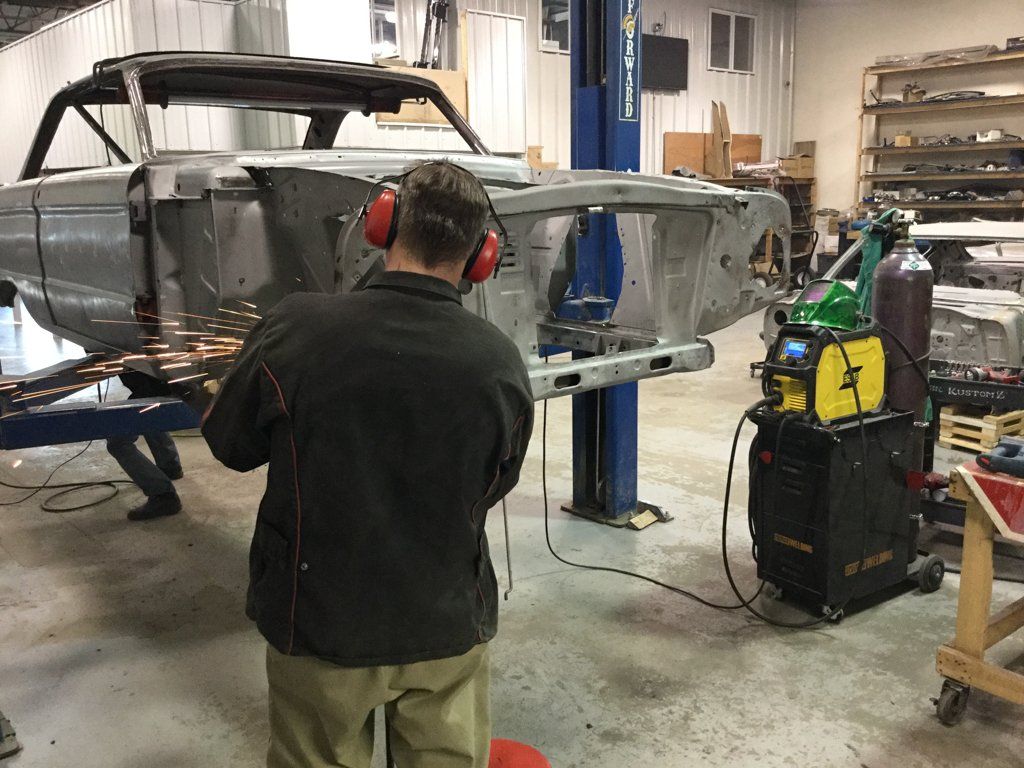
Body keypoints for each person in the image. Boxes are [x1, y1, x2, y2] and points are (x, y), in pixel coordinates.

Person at [202, 161, 534, 768]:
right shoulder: (499, 361)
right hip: (445, 623)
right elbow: (495, 482)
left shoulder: (294, 329)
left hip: (321, 622)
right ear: (481, 256)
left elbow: (230, 446)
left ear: (382, 225)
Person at [106, 371, 183, 521]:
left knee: (117, 443)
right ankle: (170, 467)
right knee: (149, 413)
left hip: (159, 393)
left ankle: (163, 496)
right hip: (165, 389)